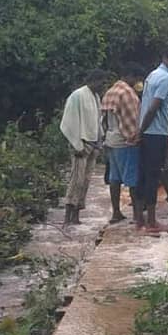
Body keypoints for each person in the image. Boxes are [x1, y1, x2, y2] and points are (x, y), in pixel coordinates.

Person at [138, 48, 168, 232]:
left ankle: (140, 220)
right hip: (156, 133)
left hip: (148, 132)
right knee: (153, 177)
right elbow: (154, 107)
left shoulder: (152, 75)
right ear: (164, 58)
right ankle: (152, 222)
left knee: (144, 175)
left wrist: (141, 130)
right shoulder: (166, 78)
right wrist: (142, 130)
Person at [60, 69, 108, 226]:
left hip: (92, 144)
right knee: (76, 180)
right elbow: (68, 122)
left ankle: (76, 215)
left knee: (86, 181)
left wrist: (99, 142)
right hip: (80, 144)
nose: (102, 86)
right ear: (93, 80)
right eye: (101, 82)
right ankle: (67, 217)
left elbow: (98, 121)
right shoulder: (77, 95)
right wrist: (76, 144)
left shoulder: (96, 97)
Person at [102, 63, 145, 224]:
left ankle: (116, 213)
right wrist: (136, 138)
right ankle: (137, 216)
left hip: (111, 139)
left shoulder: (111, 91)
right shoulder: (127, 93)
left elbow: (103, 119)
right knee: (133, 180)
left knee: (114, 178)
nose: (138, 82)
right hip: (125, 141)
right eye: (137, 79)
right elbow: (132, 120)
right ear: (131, 76)